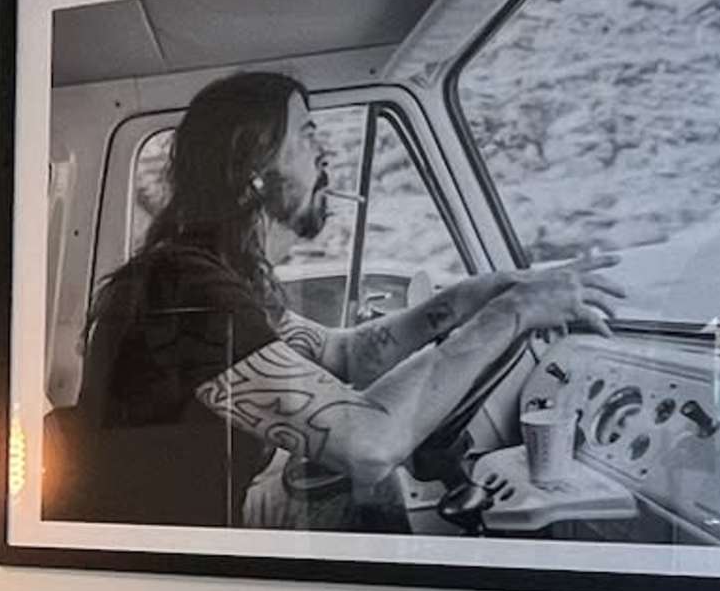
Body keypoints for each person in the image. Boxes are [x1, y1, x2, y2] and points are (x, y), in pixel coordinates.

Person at [57, 69, 613, 531]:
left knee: (363, 502)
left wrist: (477, 294)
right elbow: (369, 443)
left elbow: (348, 355)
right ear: (251, 168)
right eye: (307, 135)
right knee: (374, 499)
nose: (325, 154)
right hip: (147, 569)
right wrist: (513, 314)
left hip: (185, 534)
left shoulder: (221, 275)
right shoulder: (188, 292)